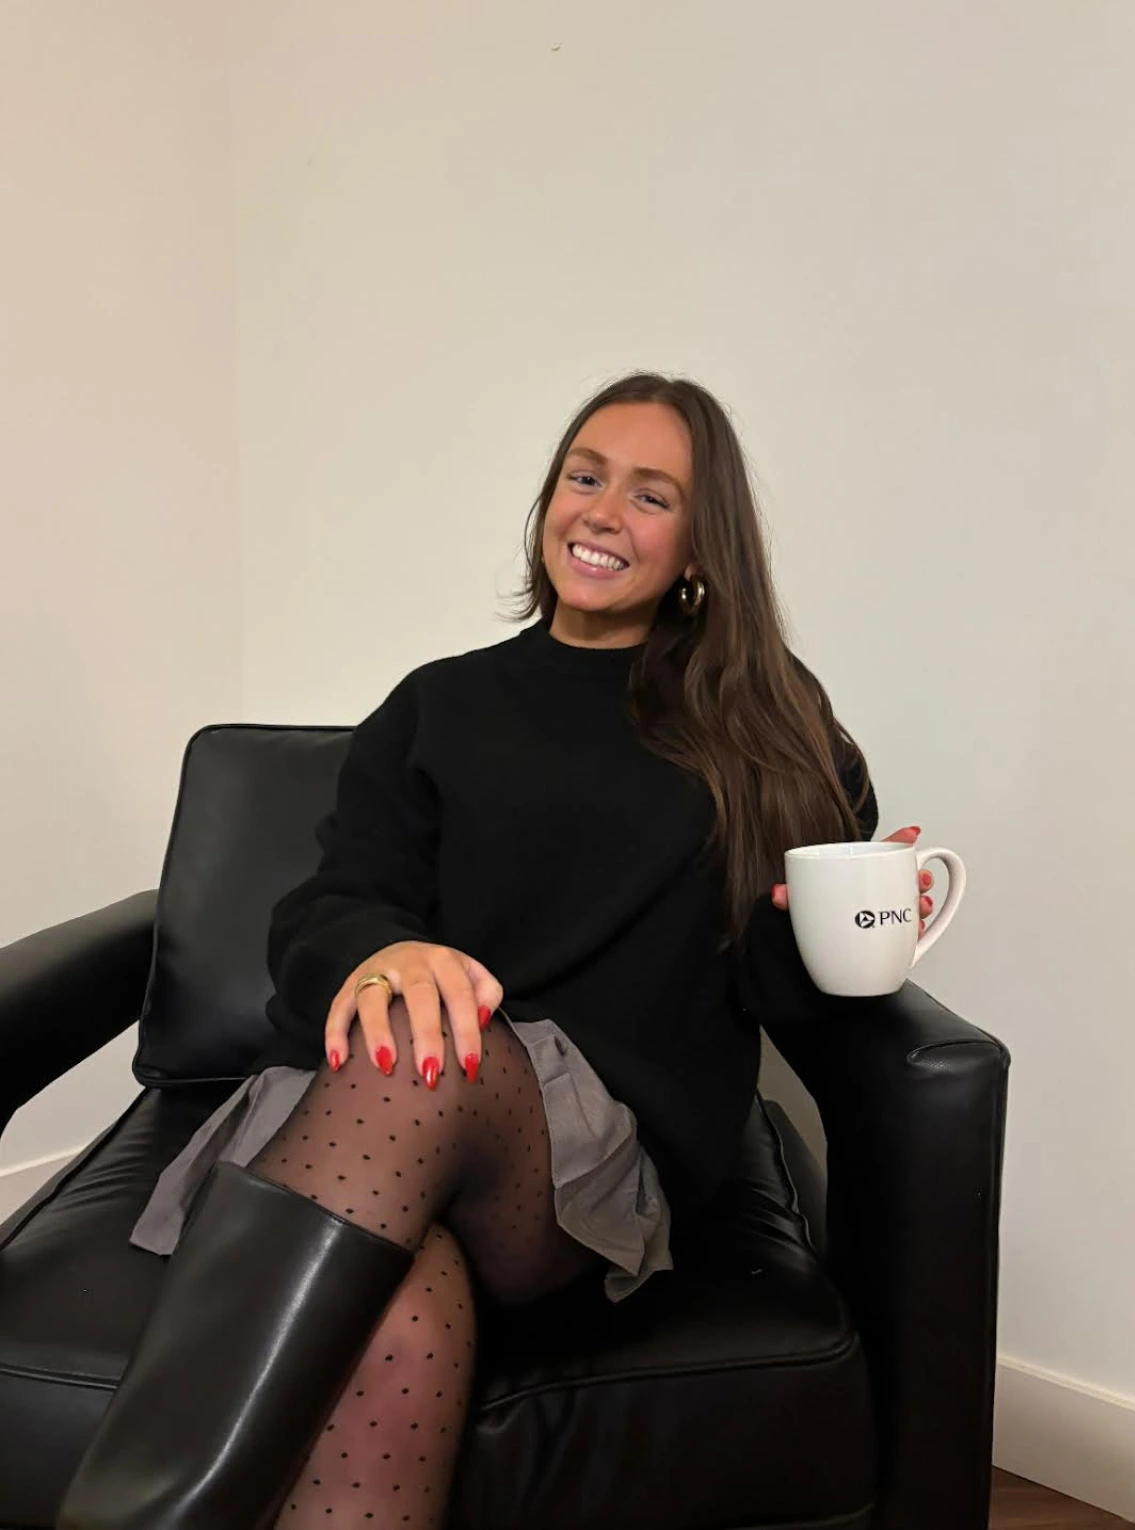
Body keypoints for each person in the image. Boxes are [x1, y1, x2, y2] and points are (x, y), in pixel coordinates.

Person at [57, 372, 934, 1529]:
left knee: (434, 1053)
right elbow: (332, 905)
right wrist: (379, 954)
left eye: (652, 494)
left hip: (574, 1163)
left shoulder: (767, 724)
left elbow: (778, 991)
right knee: (393, 1305)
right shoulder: (437, 705)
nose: (603, 511)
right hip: (372, 1127)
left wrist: (855, 918)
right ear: (548, 503)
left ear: (701, 544)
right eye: (584, 477)